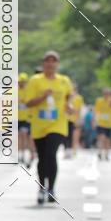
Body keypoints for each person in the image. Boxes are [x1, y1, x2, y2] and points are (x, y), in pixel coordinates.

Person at [25, 51, 73, 204]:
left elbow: (69, 95)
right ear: (43, 64)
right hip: (39, 125)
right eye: (47, 61)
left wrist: (69, 104)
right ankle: (41, 188)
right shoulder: (35, 80)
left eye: (54, 61)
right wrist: (43, 97)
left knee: (51, 154)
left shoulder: (64, 81)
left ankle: (51, 189)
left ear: (57, 64)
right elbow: (28, 102)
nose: (50, 63)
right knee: (42, 157)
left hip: (57, 124)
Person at [93, 88, 111, 160]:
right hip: (101, 123)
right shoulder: (99, 101)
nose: (106, 95)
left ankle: (106, 154)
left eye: (108, 94)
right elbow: (96, 111)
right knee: (102, 137)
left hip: (110, 124)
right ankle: (100, 152)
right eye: (105, 94)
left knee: (108, 140)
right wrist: (94, 120)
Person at [65, 83, 84, 158]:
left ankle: (73, 150)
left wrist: (78, 119)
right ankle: (68, 150)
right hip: (67, 119)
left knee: (74, 136)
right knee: (67, 136)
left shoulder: (79, 98)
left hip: (75, 119)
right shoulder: (67, 96)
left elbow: (79, 110)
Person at [17, 72, 32, 167]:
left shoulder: (29, 91)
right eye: (20, 82)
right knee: (19, 136)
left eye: (23, 82)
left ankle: (27, 154)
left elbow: (29, 102)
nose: (21, 83)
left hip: (26, 118)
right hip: (17, 117)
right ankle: (20, 154)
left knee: (25, 135)